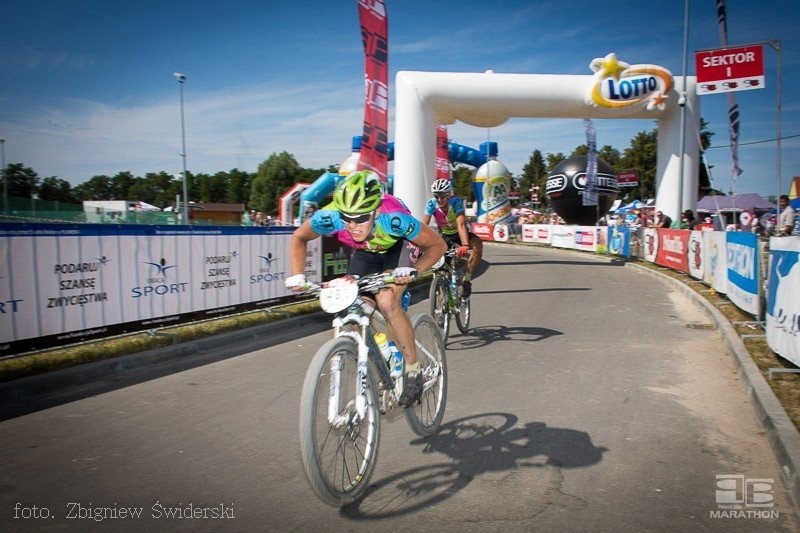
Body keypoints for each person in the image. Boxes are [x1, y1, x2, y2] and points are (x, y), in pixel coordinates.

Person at [285, 170, 446, 407]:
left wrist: (414, 270)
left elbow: (437, 245)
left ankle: (414, 371)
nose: (352, 226)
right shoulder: (331, 217)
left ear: (376, 211)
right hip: (366, 254)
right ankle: (384, 349)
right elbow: (299, 237)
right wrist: (299, 274)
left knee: (387, 301)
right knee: (351, 307)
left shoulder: (394, 218)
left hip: (397, 248)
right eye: (347, 218)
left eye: (361, 218)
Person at [420, 179, 484, 297]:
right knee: (442, 267)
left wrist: (464, 245)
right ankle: (442, 296)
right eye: (436, 196)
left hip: (459, 234)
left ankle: (467, 279)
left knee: (477, 245)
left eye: (442, 196)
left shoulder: (456, 202)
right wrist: (419, 244)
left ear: (448, 195)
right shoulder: (431, 204)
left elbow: (461, 224)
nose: (439, 199)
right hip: (445, 236)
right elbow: (424, 226)